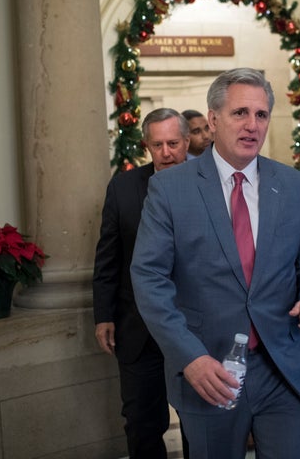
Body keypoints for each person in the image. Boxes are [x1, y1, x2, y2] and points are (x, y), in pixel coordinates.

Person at [130, 67, 300, 459]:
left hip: (283, 369)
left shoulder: (292, 185)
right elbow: (149, 278)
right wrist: (190, 357)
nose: (252, 125)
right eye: (240, 113)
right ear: (214, 119)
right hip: (210, 372)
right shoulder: (171, 188)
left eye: (261, 114)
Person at [93, 108, 190, 459]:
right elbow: (108, 257)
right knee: (142, 423)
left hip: (197, 329)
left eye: (174, 144)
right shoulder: (123, 188)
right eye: (158, 144)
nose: (166, 152)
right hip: (138, 330)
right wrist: (103, 315)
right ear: (146, 146)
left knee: (201, 422)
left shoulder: (213, 183)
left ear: (187, 142)